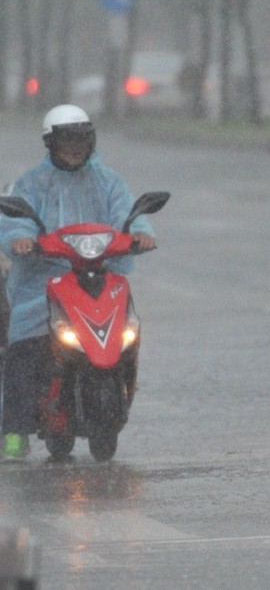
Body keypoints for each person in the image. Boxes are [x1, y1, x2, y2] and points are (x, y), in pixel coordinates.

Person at [0, 104, 156, 460]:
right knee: (24, 350)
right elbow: (16, 219)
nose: (74, 147)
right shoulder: (32, 183)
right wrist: (22, 239)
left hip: (97, 276)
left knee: (126, 336)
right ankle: (14, 430)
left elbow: (126, 214)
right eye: (66, 140)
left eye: (81, 140)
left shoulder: (108, 181)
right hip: (41, 284)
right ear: (50, 144)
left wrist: (141, 233)